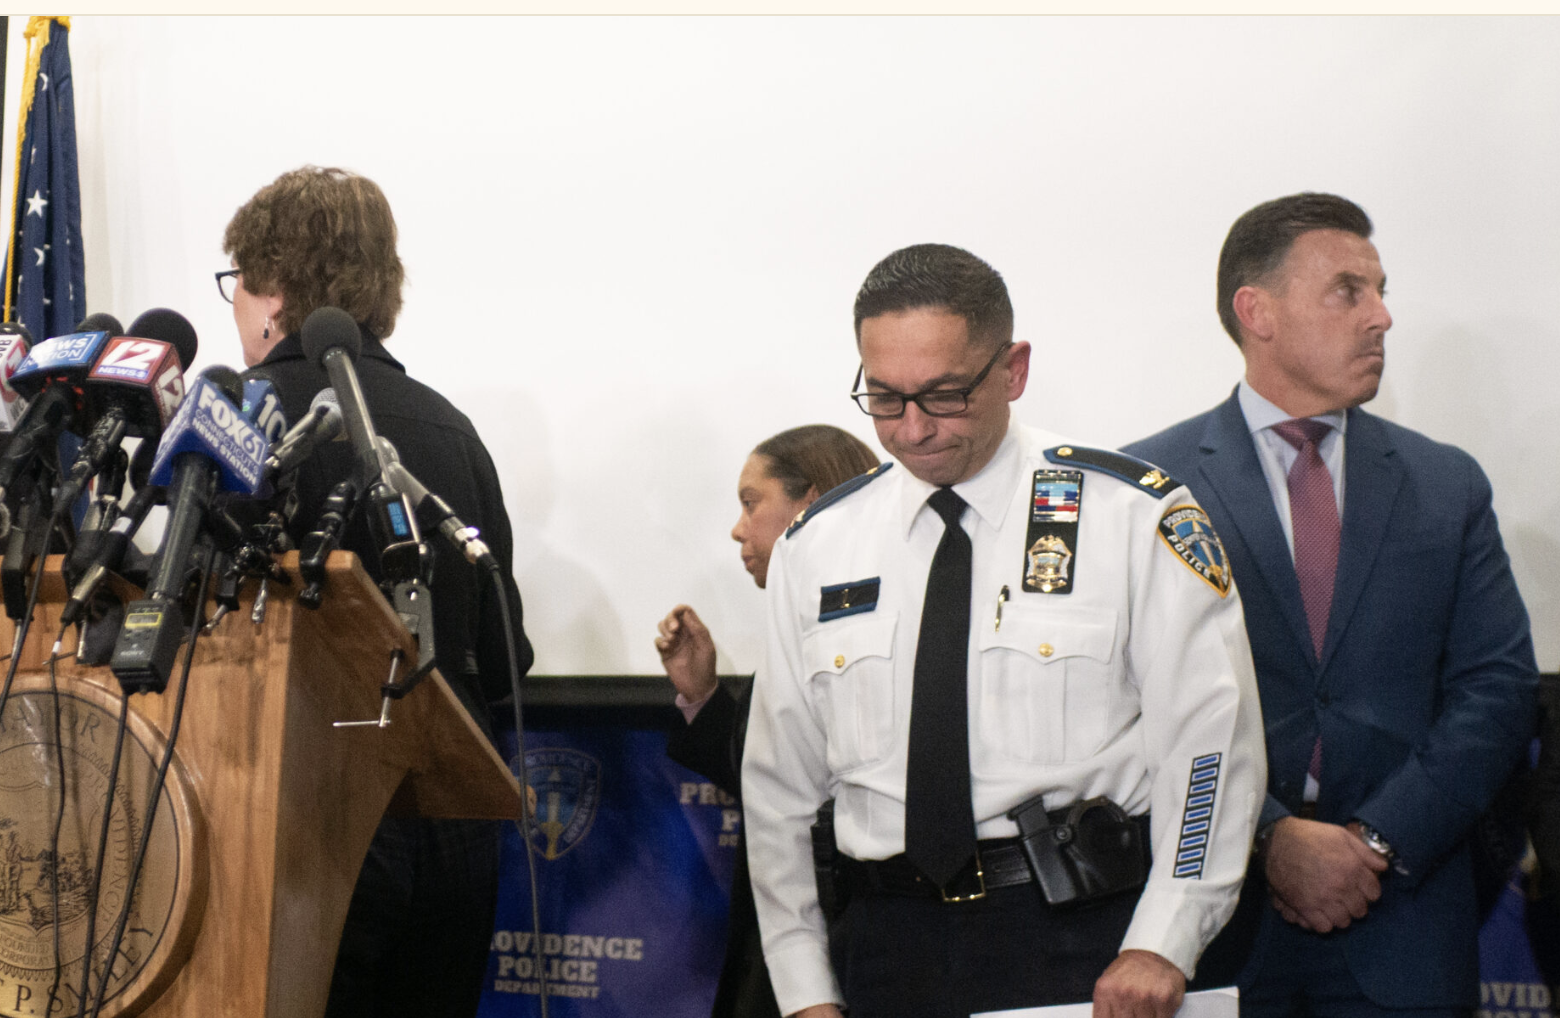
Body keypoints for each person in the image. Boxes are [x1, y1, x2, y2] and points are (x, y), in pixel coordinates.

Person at [741, 243, 1266, 1018]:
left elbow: (1211, 743)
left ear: (1013, 370)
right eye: (884, 398)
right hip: (885, 945)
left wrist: (1165, 936)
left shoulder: (1130, 515)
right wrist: (803, 986)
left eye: (945, 395)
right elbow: (778, 789)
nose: (914, 429)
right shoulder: (818, 543)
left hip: (1078, 940)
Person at [1124, 192, 1538, 1017]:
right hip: (1215, 926)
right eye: (1349, 291)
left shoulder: (1445, 482)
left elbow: (1497, 690)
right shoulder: (1149, 487)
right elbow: (1129, 701)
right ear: (1257, 312)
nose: (1382, 317)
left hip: (1406, 920)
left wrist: (1376, 841)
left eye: (1382, 290)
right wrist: (1270, 837)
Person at [221, 165, 534, 1018]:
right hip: (453, 834)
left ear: (272, 286)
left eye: (235, 284)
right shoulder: (452, 430)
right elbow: (507, 662)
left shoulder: (238, 419)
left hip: (303, 830)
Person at [655, 424, 879, 1018]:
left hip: (853, 943)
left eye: (752, 503)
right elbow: (776, 782)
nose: (737, 528)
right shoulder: (796, 625)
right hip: (790, 949)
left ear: (809, 504)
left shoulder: (871, 628)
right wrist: (702, 694)